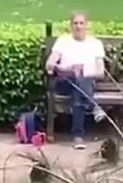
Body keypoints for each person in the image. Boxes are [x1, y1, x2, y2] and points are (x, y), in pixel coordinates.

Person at [45, 11, 106, 149]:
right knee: (76, 79)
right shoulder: (63, 41)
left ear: (87, 25)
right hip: (64, 81)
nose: (78, 26)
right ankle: (93, 106)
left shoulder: (95, 44)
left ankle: (78, 137)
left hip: (85, 83)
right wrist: (67, 69)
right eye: (75, 23)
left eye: (81, 23)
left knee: (80, 86)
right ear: (71, 25)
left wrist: (84, 72)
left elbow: (101, 72)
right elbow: (49, 64)